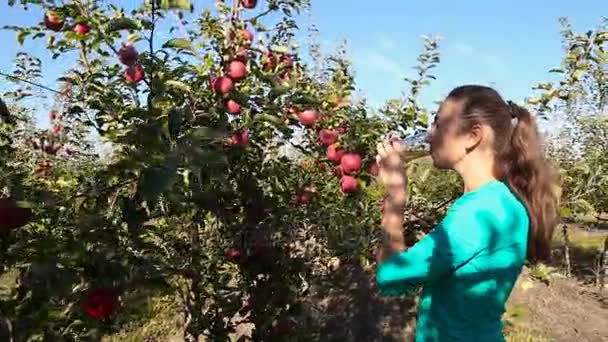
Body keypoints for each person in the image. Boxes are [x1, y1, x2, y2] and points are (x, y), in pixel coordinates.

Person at [374, 85, 559, 342]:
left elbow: (392, 276)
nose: (429, 136)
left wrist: (395, 197)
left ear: (473, 137)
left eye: (438, 124)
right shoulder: (504, 202)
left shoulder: (479, 213)